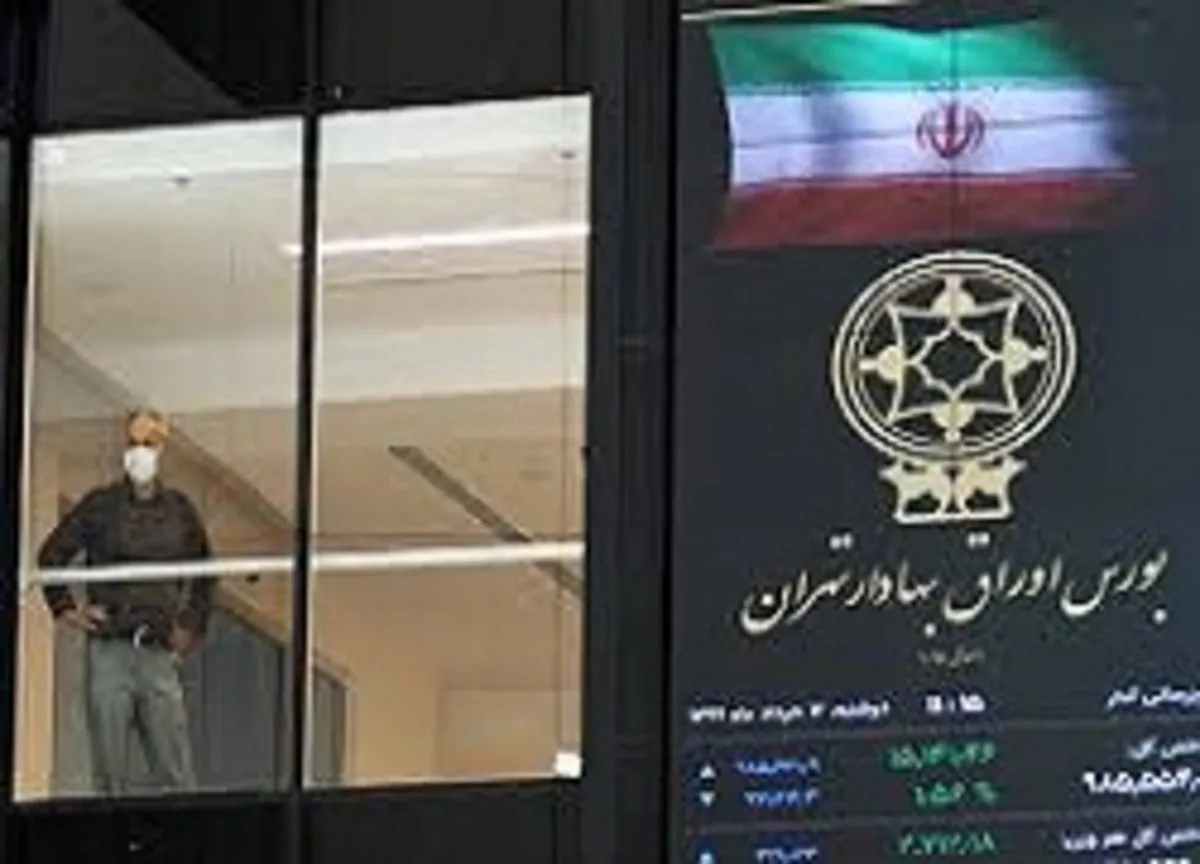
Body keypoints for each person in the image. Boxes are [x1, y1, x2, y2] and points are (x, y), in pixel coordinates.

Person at [38, 409, 214, 795]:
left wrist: (190, 625)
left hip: (158, 649)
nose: (139, 452)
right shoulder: (100, 505)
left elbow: (205, 572)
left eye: (148, 443)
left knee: (174, 773)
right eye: (133, 443)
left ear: (162, 449)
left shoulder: (179, 510)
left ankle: (181, 833)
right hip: (110, 647)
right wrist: (66, 609)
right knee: (109, 773)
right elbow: (51, 555)